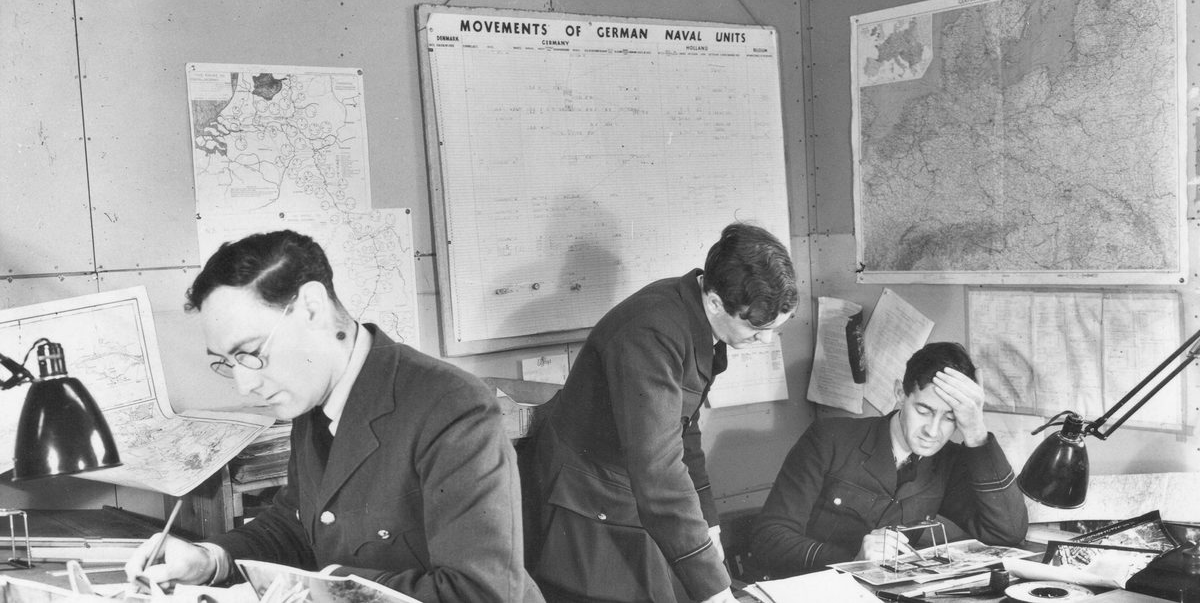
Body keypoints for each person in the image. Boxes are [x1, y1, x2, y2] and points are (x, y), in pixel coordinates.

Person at [124, 230, 543, 603]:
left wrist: (321, 591)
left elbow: (480, 593)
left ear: (311, 308)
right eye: (228, 363)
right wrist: (208, 560)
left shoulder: (451, 407)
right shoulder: (314, 399)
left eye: (251, 353)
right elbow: (298, 524)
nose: (244, 385)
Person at [530, 223, 798, 603]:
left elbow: (684, 430)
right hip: (586, 499)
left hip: (629, 488)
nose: (766, 340)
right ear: (716, 302)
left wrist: (710, 525)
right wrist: (716, 590)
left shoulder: (697, 315)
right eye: (756, 327)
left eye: (775, 328)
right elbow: (658, 470)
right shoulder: (652, 331)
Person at [749, 341, 1028, 579]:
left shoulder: (946, 461)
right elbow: (769, 540)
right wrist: (853, 560)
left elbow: (1007, 533)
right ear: (899, 393)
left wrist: (976, 431)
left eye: (950, 418)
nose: (933, 430)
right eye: (924, 410)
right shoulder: (830, 439)